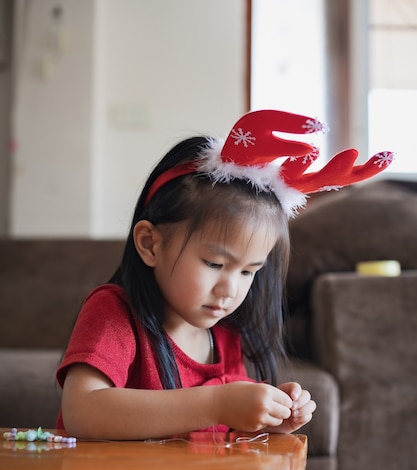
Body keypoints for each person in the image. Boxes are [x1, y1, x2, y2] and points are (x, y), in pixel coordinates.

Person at [56, 109, 393, 440]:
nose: (229, 289)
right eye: (214, 264)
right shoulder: (114, 312)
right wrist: (217, 403)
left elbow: (218, 426)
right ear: (150, 244)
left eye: (248, 272)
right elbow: (82, 412)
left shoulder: (224, 336)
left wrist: (266, 415)